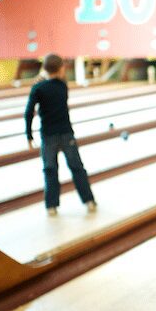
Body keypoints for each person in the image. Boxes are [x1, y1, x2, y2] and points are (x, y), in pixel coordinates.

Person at [24, 53, 97, 216]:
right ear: (61, 68)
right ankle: (89, 201)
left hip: (48, 136)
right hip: (66, 134)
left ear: (44, 69)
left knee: (50, 170)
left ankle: (51, 206)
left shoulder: (38, 88)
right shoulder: (63, 86)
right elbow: (56, 79)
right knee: (77, 168)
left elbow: (29, 112)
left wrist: (29, 136)